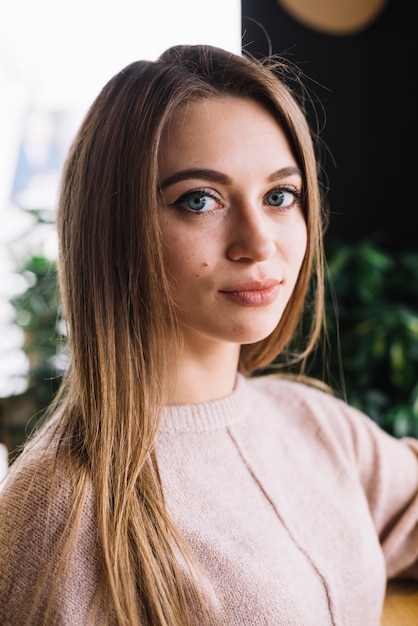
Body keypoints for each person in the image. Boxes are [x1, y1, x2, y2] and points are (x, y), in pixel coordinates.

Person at [0, 44, 417, 626]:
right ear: (114, 227)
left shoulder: (315, 424)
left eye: (279, 196)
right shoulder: (62, 507)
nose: (259, 241)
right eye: (200, 200)